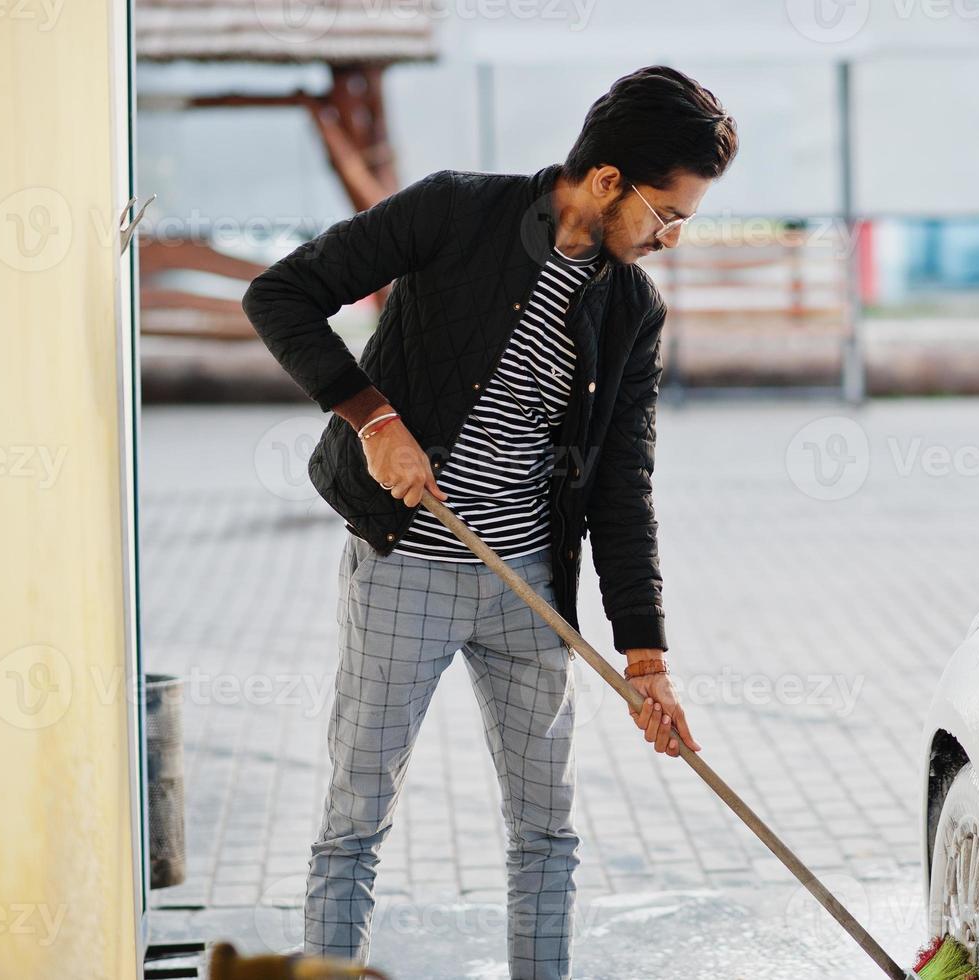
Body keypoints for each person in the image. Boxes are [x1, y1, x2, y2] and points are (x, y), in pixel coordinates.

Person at [241, 65, 738, 979]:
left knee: (547, 832)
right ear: (604, 181)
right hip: (407, 572)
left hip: (528, 591)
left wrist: (647, 660)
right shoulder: (454, 211)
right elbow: (280, 295)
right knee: (356, 818)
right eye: (667, 215)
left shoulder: (631, 308)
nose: (671, 239)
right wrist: (373, 419)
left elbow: (622, 486)